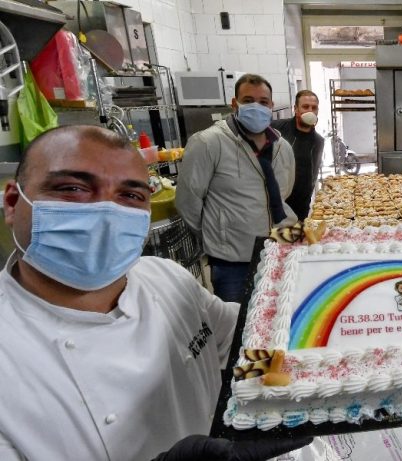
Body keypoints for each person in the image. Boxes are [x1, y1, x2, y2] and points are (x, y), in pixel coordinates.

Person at [0, 125, 310, 460]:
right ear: (13, 203)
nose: (106, 212)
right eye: (72, 188)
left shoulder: (164, 276)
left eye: (130, 195)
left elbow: (244, 344)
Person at [176, 73, 297, 303]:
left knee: (277, 318)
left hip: (279, 247)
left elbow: (283, 193)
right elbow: (187, 201)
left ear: (271, 106)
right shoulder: (209, 143)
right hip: (233, 261)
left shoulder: (282, 147)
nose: (256, 107)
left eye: (263, 102)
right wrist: (218, 236)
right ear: (235, 104)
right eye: (248, 100)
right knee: (239, 327)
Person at [272, 90, 325, 220]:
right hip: (273, 205)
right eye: (305, 107)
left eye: (314, 108)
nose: (310, 111)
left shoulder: (318, 141)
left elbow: (312, 176)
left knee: (294, 240)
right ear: (296, 109)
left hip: (300, 208)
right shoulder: (276, 129)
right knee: (271, 240)